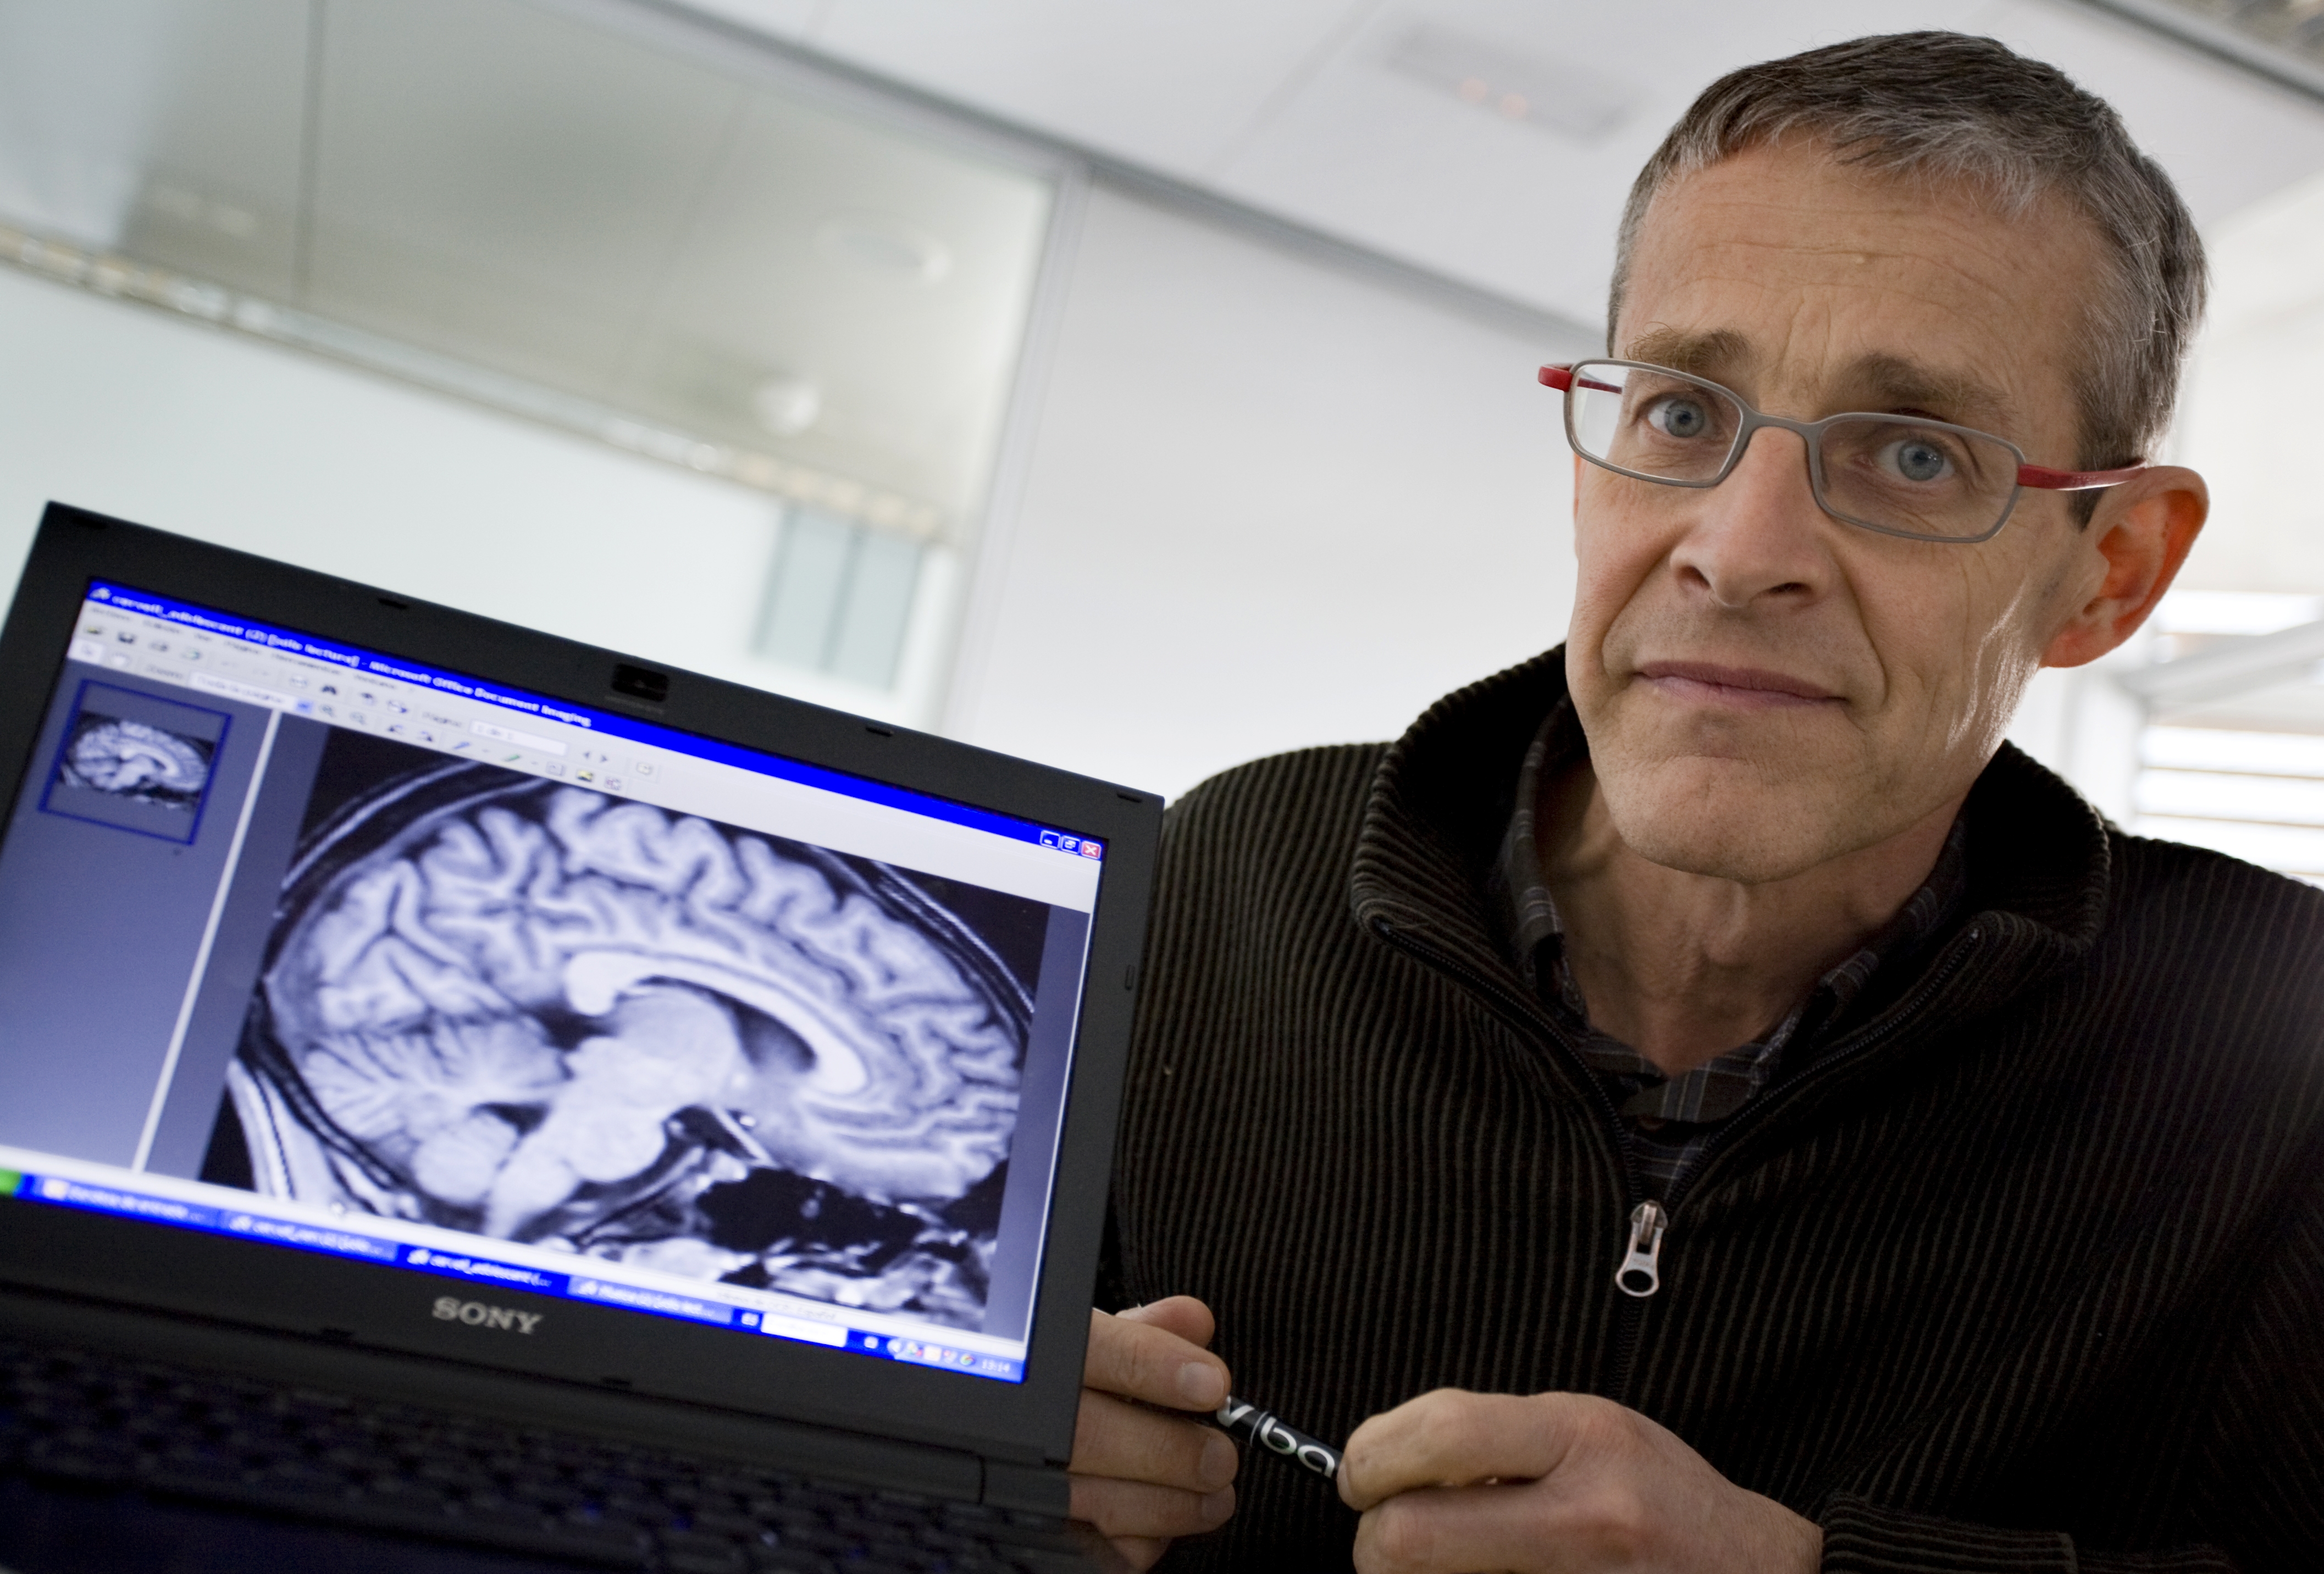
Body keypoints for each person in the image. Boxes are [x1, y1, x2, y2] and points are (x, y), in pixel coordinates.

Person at [1060, 31, 2324, 1574]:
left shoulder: (2288, 1055)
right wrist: (954, 1470)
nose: (1738, 549)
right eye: (1678, 413)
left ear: (2107, 571)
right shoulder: (1221, 878)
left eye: (1914, 454)